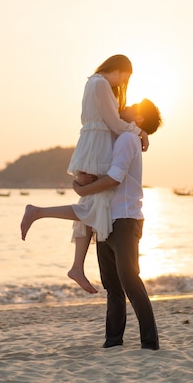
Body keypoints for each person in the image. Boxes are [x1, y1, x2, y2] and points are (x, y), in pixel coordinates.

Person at [21, 98, 162, 349]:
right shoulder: (121, 137)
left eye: (134, 106)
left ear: (139, 119)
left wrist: (84, 191)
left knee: (129, 279)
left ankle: (150, 342)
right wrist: (83, 182)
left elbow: (115, 178)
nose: (127, 105)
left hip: (125, 219)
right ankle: (113, 341)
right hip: (106, 218)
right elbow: (103, 174)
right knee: (113, 287)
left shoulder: (128, 140)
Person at [22, 55, 149, 294]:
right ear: (121, 70)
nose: (123, 83)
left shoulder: (93, 82)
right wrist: (139, 130)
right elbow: (113, 122)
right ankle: (38, 212)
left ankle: (76, 267)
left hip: (92, 145)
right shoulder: (100, 83)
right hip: (97, 146)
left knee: (92, 203)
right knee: (95, 203)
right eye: (126, 77)